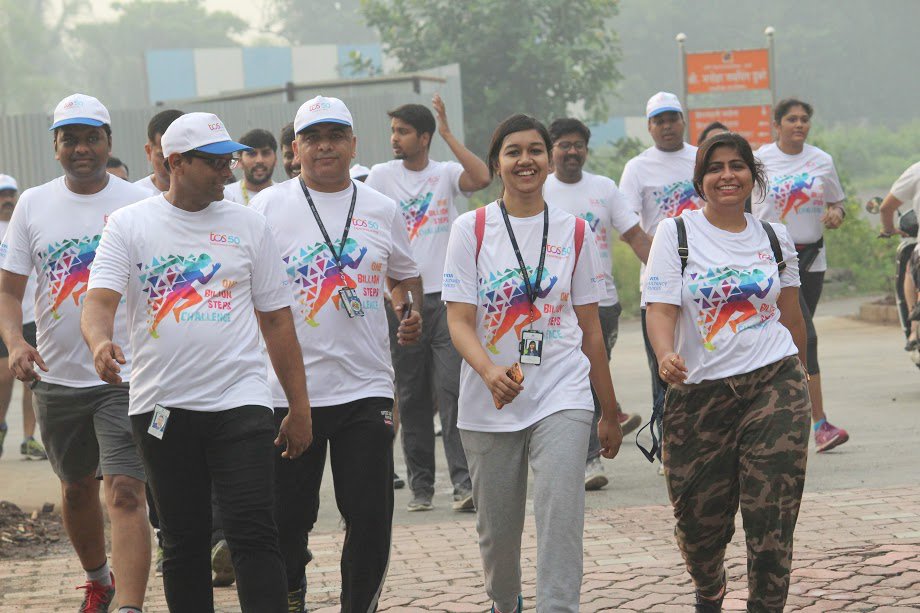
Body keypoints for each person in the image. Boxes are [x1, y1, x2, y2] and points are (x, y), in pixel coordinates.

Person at [82, 111, 312, 613]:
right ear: (177, 162)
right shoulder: (129, 224)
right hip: (162, 407)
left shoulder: (250, 225)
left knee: (253, 529)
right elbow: (98, 301)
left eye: (228, 160)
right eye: (214, 163)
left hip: (242, 403)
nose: (227, 172)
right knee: (183, 540)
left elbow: (276, 321)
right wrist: (100, 342)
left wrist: (299, 406)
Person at [443, 114, 623, 613]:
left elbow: (589, 329)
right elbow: (458, 320)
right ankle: (506, 602)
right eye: (513, 151)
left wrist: (608, 411)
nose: (526, 160)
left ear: (548, 159)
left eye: (535, 150)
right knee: (497, 534)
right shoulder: (471, 228)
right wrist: (488, 372)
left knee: (561, 514)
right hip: (489, 400)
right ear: (497, 162)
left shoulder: (577, 232)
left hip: (561, 391)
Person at [251, 95, 422, 612]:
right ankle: (291, 595)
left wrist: (405, 307)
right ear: (295, 149)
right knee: (286, 517)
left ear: (353, 144)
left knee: (370, 515)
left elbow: (404, 272)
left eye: (334, 136)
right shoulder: (265, 208)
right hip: (287, 392)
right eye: (312, 138)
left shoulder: (381, 208)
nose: (324, 146)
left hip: (365, 388)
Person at [644, 132, 811, 612]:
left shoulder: (774, 238)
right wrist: (663, 354)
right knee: (698, 523)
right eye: (715, 167)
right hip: (699, 395)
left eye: (737, 165)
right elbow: (660, 309)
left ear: (752, 175)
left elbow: (793, 316)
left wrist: (801, 378)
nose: (726, 176)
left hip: (773, 382)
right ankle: (709, 585)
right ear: (700, 179)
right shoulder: (676, 235)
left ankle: (766, 605)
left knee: (771, 513)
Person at [0, 94, 151, 613]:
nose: (82, 148)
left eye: (92, 138)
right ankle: (98, 578)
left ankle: (129, 604)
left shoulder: (142, 200)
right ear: (55, 146)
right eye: (71, 139)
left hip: (125, 375)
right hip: (58, 377)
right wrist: (17, 342)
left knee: (127, 490)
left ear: (109, 142)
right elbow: (8, 290)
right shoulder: (33, 205)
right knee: (77, 490)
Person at [365, 95, 490, 512]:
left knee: (452, 390)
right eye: (393, 131)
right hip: (402, 301)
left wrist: (449, 134)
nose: (394, 138)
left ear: (424, 137)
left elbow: (482, 176)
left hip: (447, 300)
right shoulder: (381, 176)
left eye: (403, 131)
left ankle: (463, 484)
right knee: (413, 394)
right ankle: (421, 488)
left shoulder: (445, 174)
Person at [544, 117, 651, 491]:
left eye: (578, 145)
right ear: (551, 149)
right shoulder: (538, 190)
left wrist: (672, 277)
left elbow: (635, 236)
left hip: (600, 302)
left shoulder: (604, 189)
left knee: (589, 375)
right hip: (549, 305)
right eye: (564, 145)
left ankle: (589, 460)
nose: (572, 152)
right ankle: (563, 454)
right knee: (557, 377)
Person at [752, 98, 849, 453]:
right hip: (774, 259)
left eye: (804, 119)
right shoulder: (760, 159)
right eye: (791, 119)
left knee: (792, 339)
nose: (799, 125)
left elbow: (837, 202)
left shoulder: (822, 160)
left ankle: (781, 414)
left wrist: (837, 213)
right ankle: (819, 424)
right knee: (805, 335)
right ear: (776, 124)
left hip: (812, 258)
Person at [619, 92, 703, 467]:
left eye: (673, 118)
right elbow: (628, 226)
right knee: (664, 367)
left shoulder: (701, 158)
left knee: (702, 362)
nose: (667, 126)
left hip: (706, 281)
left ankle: (706, 440)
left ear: (683, 121)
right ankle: (669, 443)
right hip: (656, 286)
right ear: (649, 126)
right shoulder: (638, 168)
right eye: (659, 120)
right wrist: (661, 267)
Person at [0, 174, 46, 460]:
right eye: (2, 195)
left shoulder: (24, 225)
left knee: (31, 378)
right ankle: (1, 426)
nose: (7, 200)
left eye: (10, 194)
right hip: (4, 315)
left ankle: (29, 437)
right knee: (4, 377)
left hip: (30, 315)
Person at [879, 161, 920, 349]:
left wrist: (888, 229)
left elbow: (885, 208)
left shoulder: (917, 170)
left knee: (911, 270)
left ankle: (914, 328)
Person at [135, 109, 184, 196]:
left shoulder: (210, 197)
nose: (172, 164)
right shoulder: (132, 198)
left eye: (180, 157)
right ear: (149, 151)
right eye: (163, 155)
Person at [224, 128, 278, 205]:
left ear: (276, 159)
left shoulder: (287, 196)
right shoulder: (225, 197)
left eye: (265, 153)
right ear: (240, 160)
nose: (259, 160)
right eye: (252, 154)